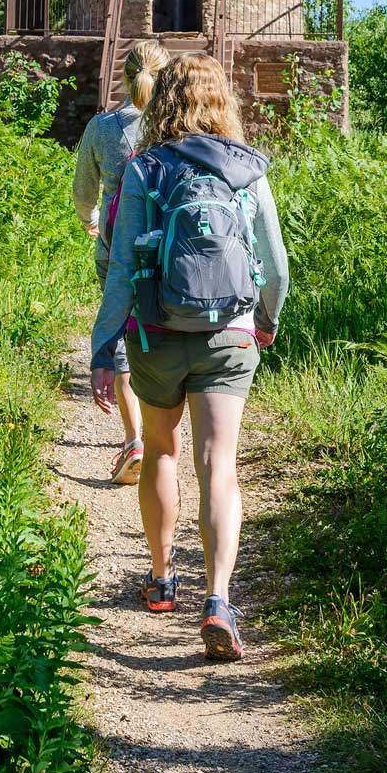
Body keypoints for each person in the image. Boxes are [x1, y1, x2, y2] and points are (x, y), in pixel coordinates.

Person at [90, 53, 289, 661]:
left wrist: (104, 345)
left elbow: (120, 268)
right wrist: (264, 322)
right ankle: (220, 599)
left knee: (161, 448)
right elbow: (276, 265)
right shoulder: (248, 171)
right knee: (218, 461)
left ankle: (160, 578)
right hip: (229, 332)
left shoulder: (144, 170)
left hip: (155, 333)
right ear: (221, 101)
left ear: (163, 99)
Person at [73, 41, 169, 485]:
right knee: (162, 341)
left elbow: (83, 193)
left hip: (115, 252)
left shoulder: (102, 128)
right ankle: (163, 434)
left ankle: (135, 439)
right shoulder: (175, 129)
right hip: (169, 256)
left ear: (124, 77)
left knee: (122, 344)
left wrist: (91, 220)